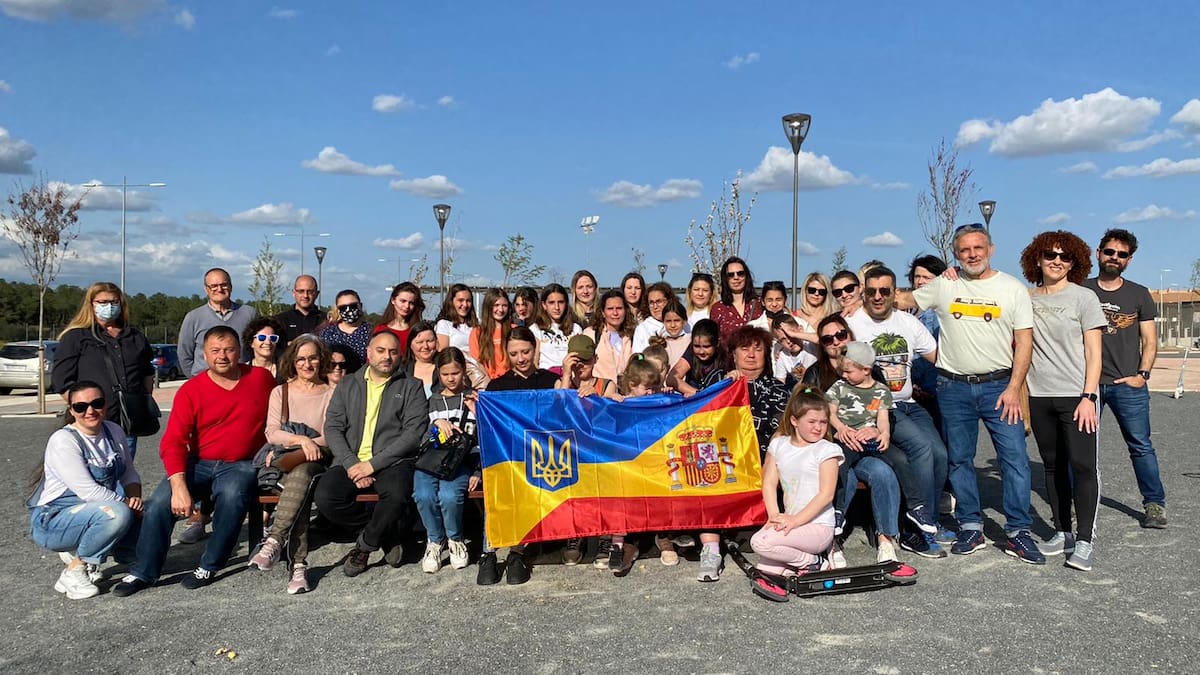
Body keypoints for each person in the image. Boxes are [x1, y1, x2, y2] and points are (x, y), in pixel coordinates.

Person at [902, 223, 1042, 564]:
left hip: (999, 387)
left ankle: (1017, 530)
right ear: (957, 254)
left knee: (1015, 459)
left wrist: (1013, 388)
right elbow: (903, 299)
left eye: (978, 248)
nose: (972, 255)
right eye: (964, 250)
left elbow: (1025, 342)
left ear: (990, 249)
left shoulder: (1012, 288)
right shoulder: (945, 285)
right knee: (960, 460)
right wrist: (861, 293)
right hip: (952, 387)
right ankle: (970, 525)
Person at [113, 326, 277, 596]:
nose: (222, 356)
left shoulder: (260, 379)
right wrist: (178, 487)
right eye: (215, 350)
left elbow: (285, 406)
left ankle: (209, 565)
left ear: (240, 352)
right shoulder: (191, 390)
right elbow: (173, 441)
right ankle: (143, 571)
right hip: (198, 462)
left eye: (229, 349)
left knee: (233, 496)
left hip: (241, 463)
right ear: (205, 354)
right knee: (157, 505)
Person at [846, 265, 952, 557]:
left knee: (940, 454)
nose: (878, 297)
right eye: (871, 291)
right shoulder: (853, 324)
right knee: (919, 451)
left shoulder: (908, 322)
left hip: (908, 402)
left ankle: (928, 518)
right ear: (863, 293)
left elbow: (938, 357)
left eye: (884, 291)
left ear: (895, 293)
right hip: (875, 407)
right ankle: (914, 529)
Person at [1019, 231, 1106, 571]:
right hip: (1040, 396)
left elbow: (1094, 354)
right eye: (1050, 255)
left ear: (1076, 262)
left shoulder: (1084, 298)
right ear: (1036, 259)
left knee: (1084, 467)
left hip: (1077, 396)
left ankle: (1084, 540)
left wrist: (1088, 395)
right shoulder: (1024, 298)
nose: (1057, 261)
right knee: (1053, 466)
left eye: (1065, 256)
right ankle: (1063, 532)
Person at [316, 331, 428, 577]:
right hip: (351, 459)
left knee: (397, 495)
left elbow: (413, 434)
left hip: (392, 461)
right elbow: (333, 427)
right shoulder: (348, 384)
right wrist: (352, 464)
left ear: (400, 355)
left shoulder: (411, 386)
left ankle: (365, 546)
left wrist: (372, 465)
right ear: (369, 353)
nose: (386, 357)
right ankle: (385, 535)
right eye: (380, 350)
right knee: (326, 497)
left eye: (392, 351)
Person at [1081, 228, 1167, 529]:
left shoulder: (1139, 294)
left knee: (1141, 446)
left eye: (1122, 254)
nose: (1114, 258)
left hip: (1126, 385)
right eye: (1109, 252)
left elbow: (1150, 341)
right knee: (1080, 448)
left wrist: (1142, 375)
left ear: (1129, 260)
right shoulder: (1081, 289)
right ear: (1098, 253)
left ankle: (1154, 504)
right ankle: (1075, 505)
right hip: (1087, 386)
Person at [28, 380, 142, 599]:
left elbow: (129, 472)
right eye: (81, 407)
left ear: (105, 404)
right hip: (54, 519)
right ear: (71, 410)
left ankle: (110, 553)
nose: (90, 411)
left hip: (96, 509)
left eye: (97, 403)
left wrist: (135, 497)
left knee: (152, 511)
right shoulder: (64, 440)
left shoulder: (113, 431)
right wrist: (127, 505)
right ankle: (75, 569)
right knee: (118, 514)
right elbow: (89, 491)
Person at [696, 325, 789, 583]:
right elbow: (699, 419)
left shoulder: (777, 388)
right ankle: (711, 549)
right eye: (744, 349)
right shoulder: (718, 380)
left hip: (762, 459)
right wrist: (727, 383)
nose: (751, 355)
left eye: (758, 350)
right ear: (733, 354)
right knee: (705, 473)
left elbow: (782, 430)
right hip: (722, 457)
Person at [247, 335, 336, 593]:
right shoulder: (280, 392)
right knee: (300, 484)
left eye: (313, 358)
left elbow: (331, 433)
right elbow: (271, 432)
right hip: (284, 463)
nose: (307, 364)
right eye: (301, 359)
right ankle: (297, 567)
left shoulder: (331, 392)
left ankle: (275, 542)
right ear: (292, 362)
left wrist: (310, 446)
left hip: (319, 460)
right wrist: (302, 441)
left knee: (304, 473)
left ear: (321, 360)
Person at [827, 342, 935, 544]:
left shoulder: (881, 391)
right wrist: (841, 428)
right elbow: (830, 413)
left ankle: (916, 507)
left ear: (866, 370)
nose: (844, 375)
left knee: (901, 459)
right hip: (848, 439)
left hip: (870, 440)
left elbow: (883, 417)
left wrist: (883, 434)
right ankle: (838, 511)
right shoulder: (839, 387)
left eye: (849, 371)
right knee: (840, 464)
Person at [480, 327, 560, 585]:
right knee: (498, 489)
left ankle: (517, 552)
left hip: (541, 457)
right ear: (507, 354)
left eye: (525, 351)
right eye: (514, 354)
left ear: (534, 349)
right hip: (508, 457)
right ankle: (488, 552)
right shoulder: (496, 386)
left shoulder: (549, 380)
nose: (521, 358)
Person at [749, 389, 841, 600]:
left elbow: (826, 495)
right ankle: (794, 569)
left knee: (760, 543)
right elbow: (769, 482)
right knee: (765, 568)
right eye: (812, 421)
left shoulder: (827, 450)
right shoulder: (779, 444)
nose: (818, 427)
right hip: (789, 522)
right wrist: (774, 517)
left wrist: (794, 521)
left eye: (823, 422)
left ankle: (814, 562)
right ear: (794, 420)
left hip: (817, 526)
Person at [52, 281, 156, 458]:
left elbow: (147, 373)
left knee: (123, 474)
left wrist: (142, 400)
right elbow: (62, 381)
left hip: (126, 423)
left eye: (114, 302)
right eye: (102, 302)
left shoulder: (135, 337)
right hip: (91, 423)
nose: (109, 306)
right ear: (91, 305)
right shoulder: (76, 337)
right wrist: (83, 411)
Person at [599, 355, 666, 576]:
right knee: (621, 503)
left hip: (650, 464)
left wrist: (666, 397)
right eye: (645, 388)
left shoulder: (656, 401)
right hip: (625, 465)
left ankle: (666, 535)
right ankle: (617, 544)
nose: (649, 392)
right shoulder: (620, 401)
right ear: (631, 385)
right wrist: (610, 400)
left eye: (653, 388)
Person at [416, 347, 481, 574]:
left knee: (450, 495)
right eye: (445, 374)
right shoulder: (432, 401)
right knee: (423, 495)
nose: (451, 379)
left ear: (463, 371)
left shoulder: (474, 398)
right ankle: (434, 540)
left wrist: (478, 471)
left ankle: (455, 538)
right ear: (438, 373)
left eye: (455, 373)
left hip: (461, 462)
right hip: (431, 460)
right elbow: (422, 439)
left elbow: (485, 436)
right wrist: (437, 426)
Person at [178, 268, 258, 377]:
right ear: (206, 289)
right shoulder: (193, 317)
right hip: (204, 385)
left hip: (242, 380)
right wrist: (195, 379)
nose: (219, 289)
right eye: (213, 286)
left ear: (231, 286)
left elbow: (258, 349)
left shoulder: (249, 314)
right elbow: (184, 354)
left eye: (224, 285)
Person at [907, 255, 948, 425]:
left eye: (926, 277)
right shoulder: (906, 310)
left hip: (935, 389)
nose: (921, 281)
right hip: (911, 389)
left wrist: (927, 386)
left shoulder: (941, 311)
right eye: (917, 277)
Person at [529, 283, 582, 374]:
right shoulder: (535, 329)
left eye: (561, 302)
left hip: (571, 378)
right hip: (546, 379)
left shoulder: (576, 329)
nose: (557, 307)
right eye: (552, 303)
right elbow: (534, 361)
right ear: (544, 305)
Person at [583, 290, 635, 381]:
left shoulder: (632, 336)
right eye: (610, 309)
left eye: (619, 308)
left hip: (625, 392)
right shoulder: (591, 334)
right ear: (603, 312)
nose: (615, 313)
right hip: (599, 391)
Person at [710, 256, 762, 341]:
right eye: (730, 275)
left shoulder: (760, 303)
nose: (736, 277)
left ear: (746, 276)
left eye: (740, 273)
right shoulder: (718, 309)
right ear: (725, 279)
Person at [670, 318, 726, 397]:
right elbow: (672, 378)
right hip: (695, 401)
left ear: (717, 343)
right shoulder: (691, 353)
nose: (701, 351)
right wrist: (698, 394)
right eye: (696, 346)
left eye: (706, 347)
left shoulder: (725, 356)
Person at [470, 288, 513, 380]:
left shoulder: (514, 329)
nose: (500, 309)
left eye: (504, 305)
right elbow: (476, 363)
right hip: (488, 383)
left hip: (511, 381)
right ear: (488, 307)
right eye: (496, 305)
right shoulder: (477, 332)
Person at [319, 290, 372, 363]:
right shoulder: (328, 333)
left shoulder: (371, 332)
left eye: (353, 306)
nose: (348, 310)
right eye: (343, 308)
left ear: (360, 306)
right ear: (338, 310)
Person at [374, 281, 425, 359]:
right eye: (403, 301)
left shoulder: (419, 330)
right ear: (393, 300)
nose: (407, 306)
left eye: (411, 303)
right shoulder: (381, 329)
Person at [633, 281, 680, 352]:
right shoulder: (642, 329)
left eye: (659, 301)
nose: (655, 306)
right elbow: (637, 356)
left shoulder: (681, 323)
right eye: (651, 303)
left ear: (669, 301)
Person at [275, 274, 323, 341]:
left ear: (317, 294)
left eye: (310, 292)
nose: (305, 295)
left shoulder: (326, 321)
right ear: (294, 293)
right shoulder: (280, 320)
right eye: (301, 291)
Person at [402, 321, 441, 396]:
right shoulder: (402, 371)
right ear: (410, 344)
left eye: (430, 341)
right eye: (420, 342)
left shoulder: (445, 365)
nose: (426, 346)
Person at [436, 283, 478, 351]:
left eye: (468, 301)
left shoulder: (477, 325)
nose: (465, 305)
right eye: (460, 300)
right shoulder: (444, 324)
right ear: (451, 302)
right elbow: (443, 353)